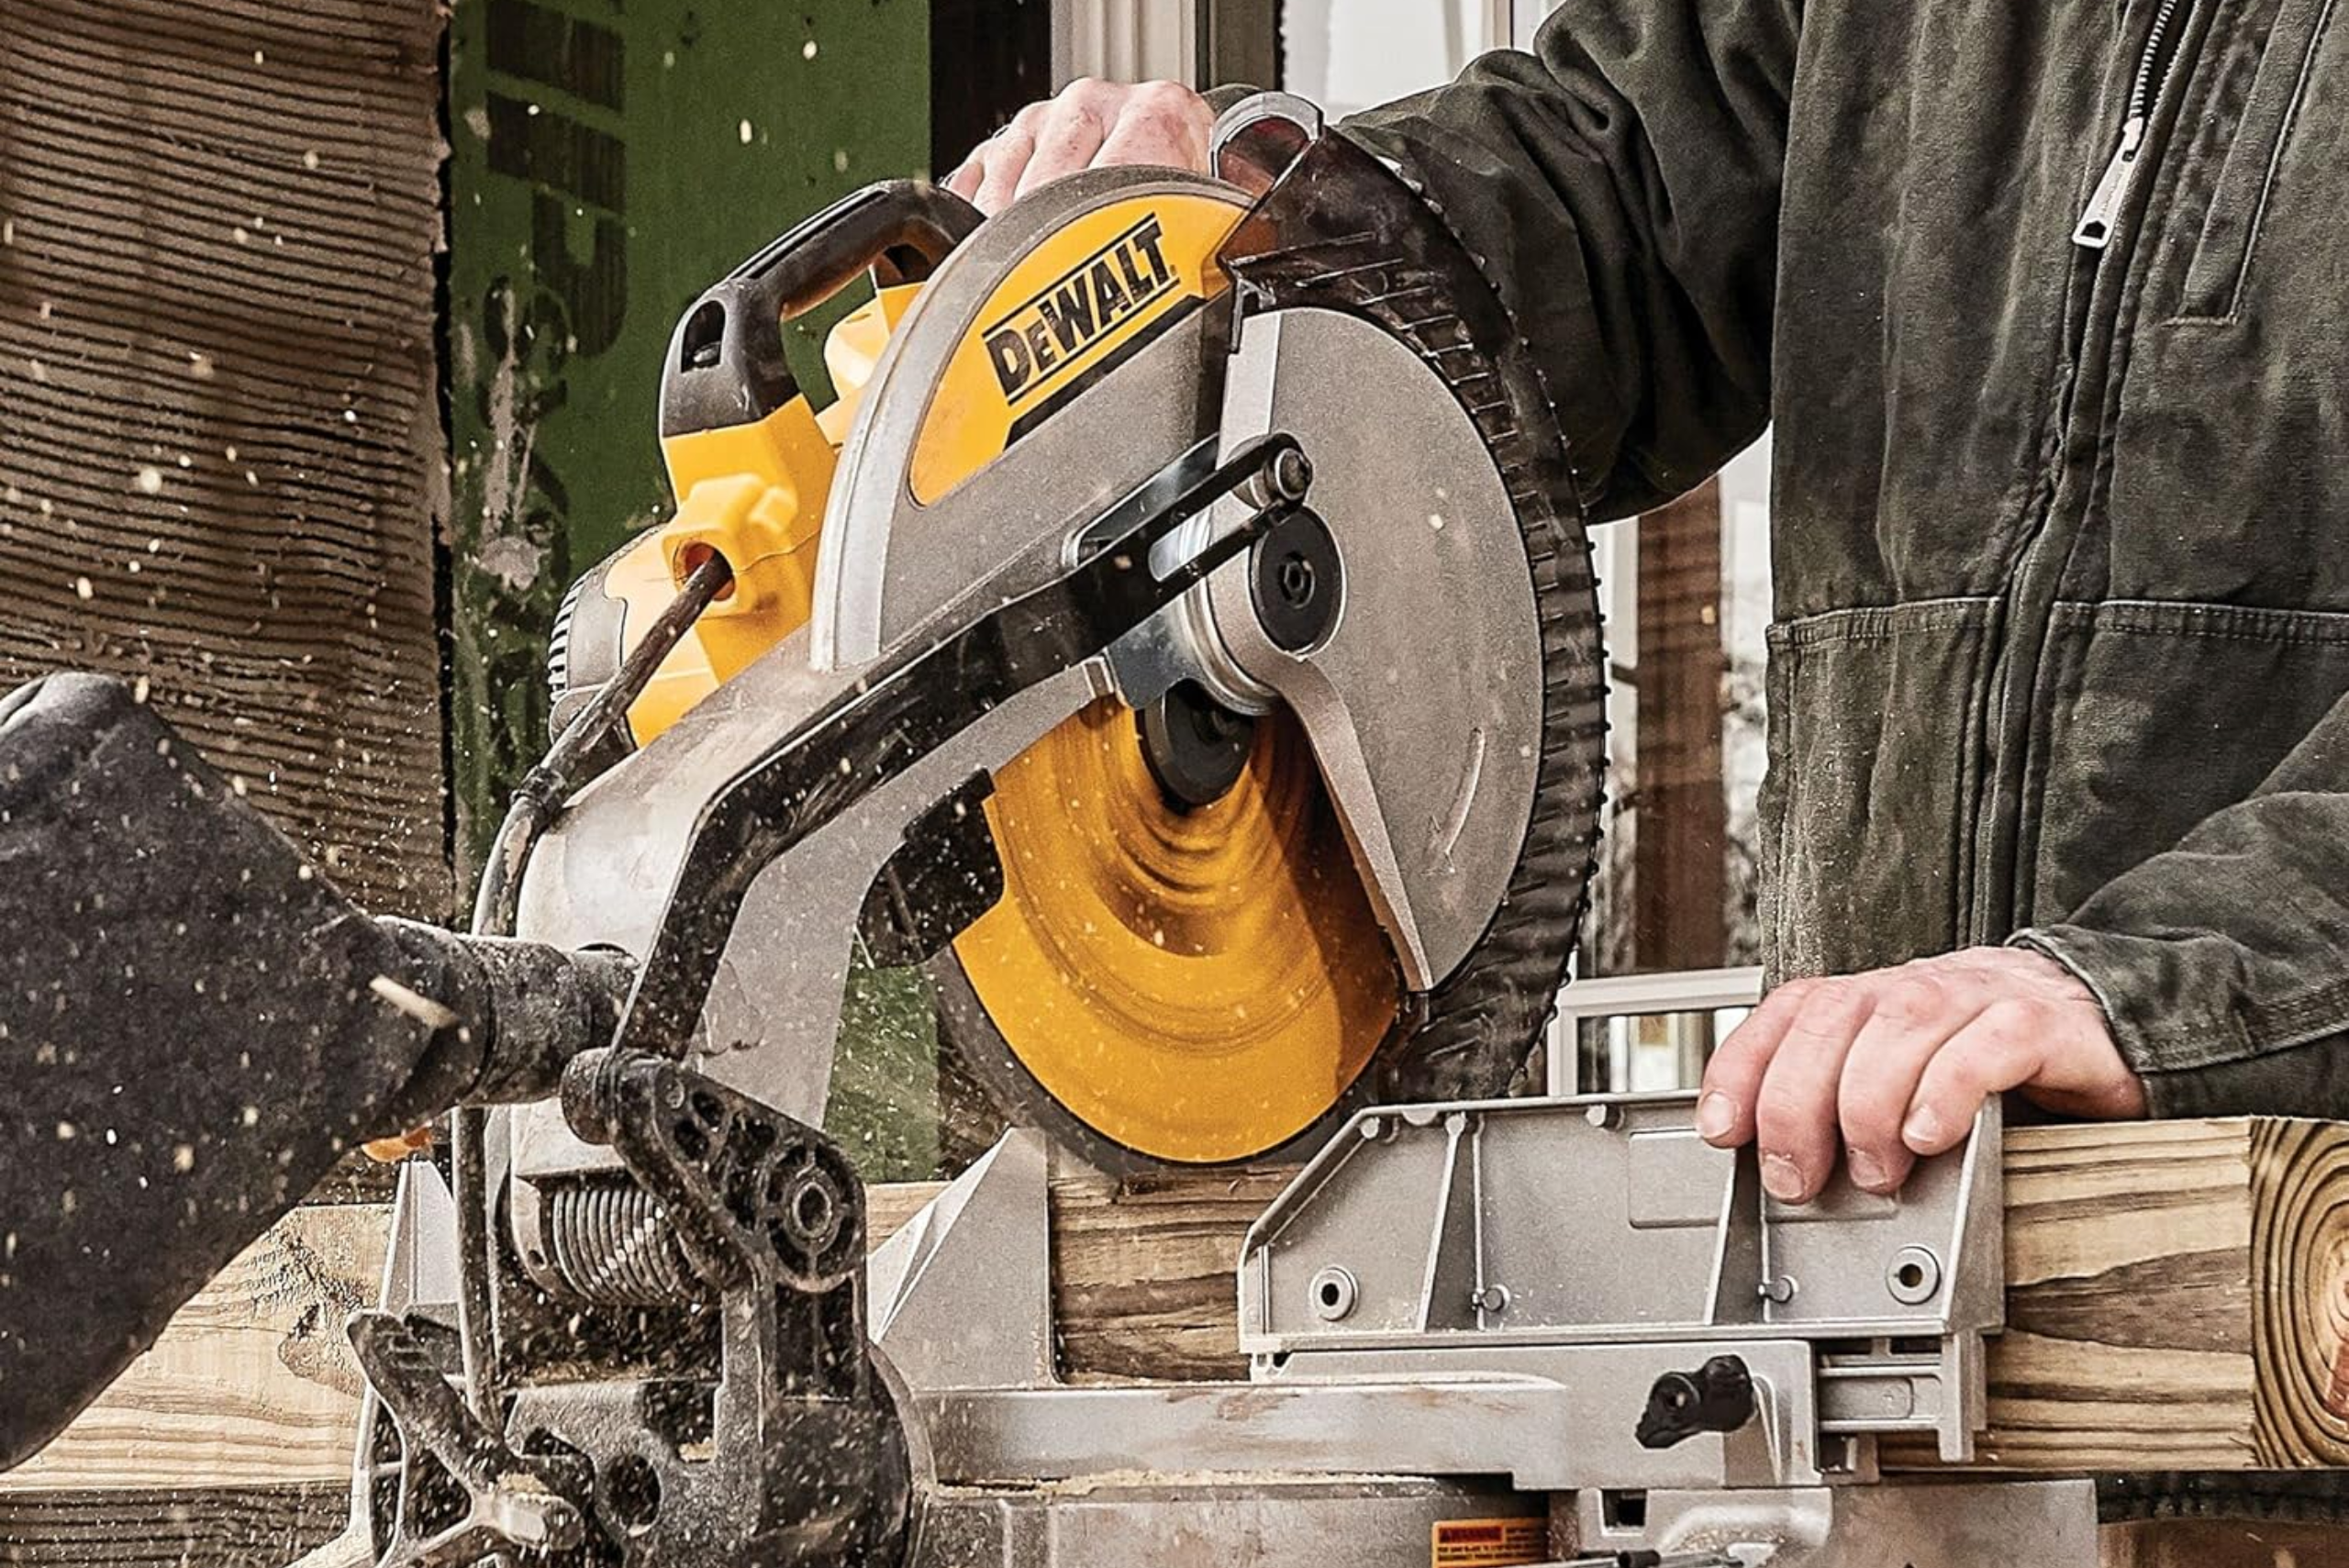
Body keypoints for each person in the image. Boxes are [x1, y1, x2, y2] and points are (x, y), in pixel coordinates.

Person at [946, 6, 2349, 1204]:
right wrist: (1260, 237)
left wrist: (2173, 984)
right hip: (1882, 1224)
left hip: (2288, 1257)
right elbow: (1607, 207)